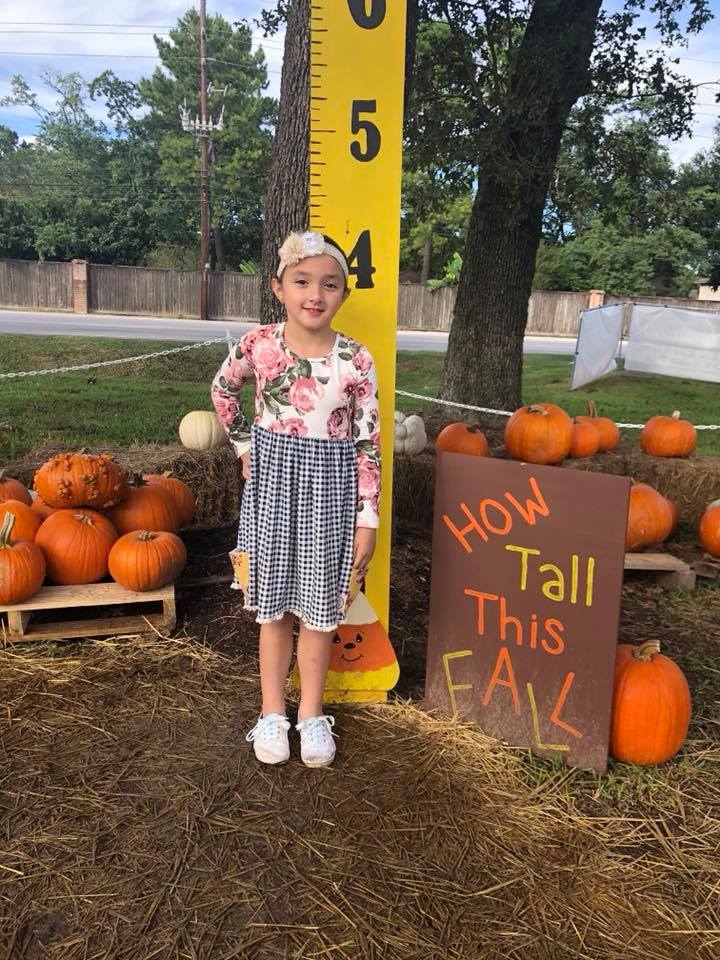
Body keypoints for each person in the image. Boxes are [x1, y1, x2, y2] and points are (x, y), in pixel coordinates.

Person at [211, 230, 381, 768]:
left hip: (330, 500)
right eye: (302, 281)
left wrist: (367, 518)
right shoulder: (259, 345)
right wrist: (244, 444)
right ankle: (271, 712)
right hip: (272, 494)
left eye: (329, 284)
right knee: (273, 611)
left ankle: (310, 714)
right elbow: (223, 389)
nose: (315, 294)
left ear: (343, 295)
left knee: (319, 613)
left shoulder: (356, 359)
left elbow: (368, 442)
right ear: (278, 287)